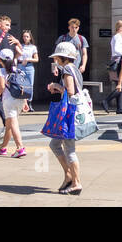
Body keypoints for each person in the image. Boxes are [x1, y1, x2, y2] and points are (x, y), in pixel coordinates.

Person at [46, 41, 83, 194]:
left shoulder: (67, 69)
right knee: (54, 144)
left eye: (57, 58)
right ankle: (69, 175)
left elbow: (70, 91)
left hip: (69, 114)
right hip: (71, 113)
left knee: (70, 150)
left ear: (63, 57)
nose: (55, 60)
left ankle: (76, 182)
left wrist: (56, 86)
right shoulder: (75, 69)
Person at [105, 20, 122, 112]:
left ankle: (119, 108)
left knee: (120, 84)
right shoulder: (117, 37)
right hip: (118, 62)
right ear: (120, 28)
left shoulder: (117, 37)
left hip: (118, 61)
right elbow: (116, 50)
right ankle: (106, 100)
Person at [17, 30, 38, 113]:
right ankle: (22, 103)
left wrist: (28, 59)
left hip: (29, 66)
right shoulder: (20, 46)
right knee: (21, 84)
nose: (25, 38)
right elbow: (16, 56)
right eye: (24, 36)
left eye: (27, 36)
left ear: (30, 38)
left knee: (30, 85)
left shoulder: (33, 47)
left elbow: (36, 59)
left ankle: (29, 103)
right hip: (20, 66)